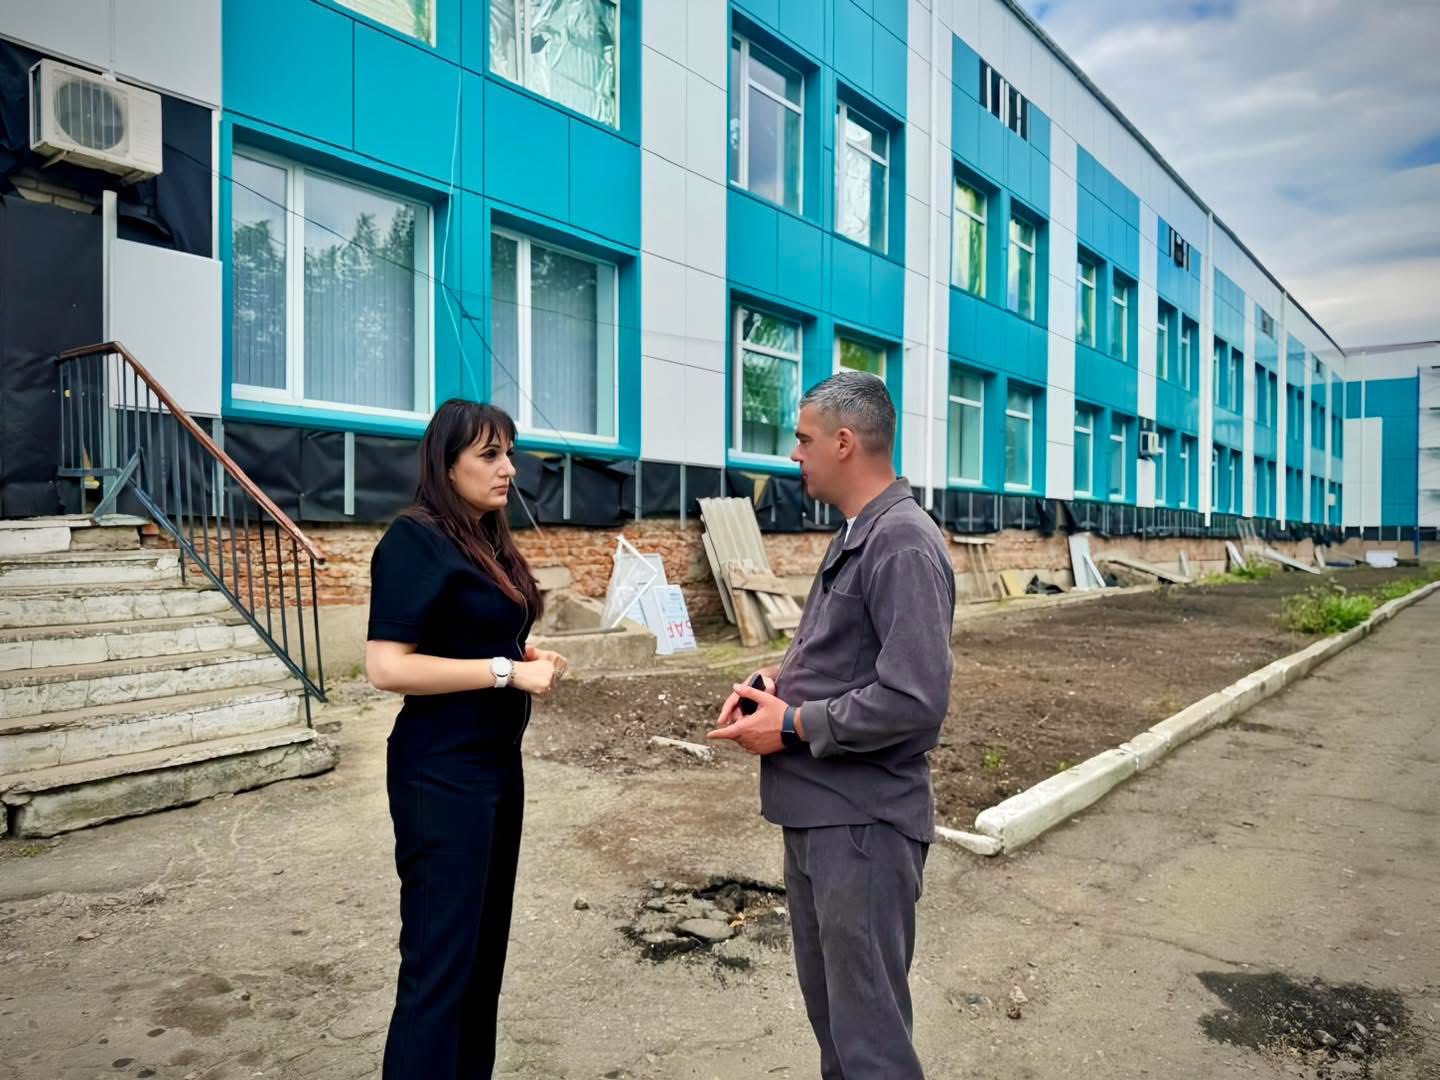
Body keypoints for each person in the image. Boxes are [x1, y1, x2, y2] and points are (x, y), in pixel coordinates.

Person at [709, 370, 956, 1079]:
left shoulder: (901, 542)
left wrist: (791, 725)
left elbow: (914, 698)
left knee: (870, 1046)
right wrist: (776, 684)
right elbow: (852, 658)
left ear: (844, 442)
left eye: (804, 439)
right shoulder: (859, 531)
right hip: (823, 817)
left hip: (862, 827)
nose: (795, 454)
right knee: (840, 1036)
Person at [365, 398, 568, 1079]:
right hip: (440, 773)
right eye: (489, 455)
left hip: (495, 768)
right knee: (440, 966)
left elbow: (470, 633)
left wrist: (522, 652)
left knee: (483, 959)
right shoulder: (413, 540)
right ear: (447, 465)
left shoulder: (483, 539)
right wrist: (506, 672)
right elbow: (387, 666)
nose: (508, 468)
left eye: (510, 453)